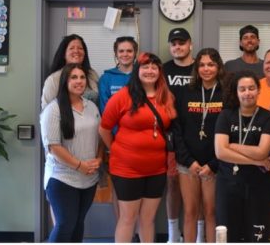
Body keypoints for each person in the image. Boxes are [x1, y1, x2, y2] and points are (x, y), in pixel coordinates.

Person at [99, 52, 177, 243]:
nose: (150, 71)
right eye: (145, 67)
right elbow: (104, 129)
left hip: (157, 169)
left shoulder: (166, 96)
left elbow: (171, 126)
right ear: (137, 70)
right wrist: (117, 148)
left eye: (154, 67)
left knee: (148, 220)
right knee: (128, 218)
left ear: (159, 71)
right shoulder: (123, 97)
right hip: (127, 169)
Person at [40, 63, 102, 242]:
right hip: (62, 178)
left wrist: (98, 159)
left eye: (82, 77)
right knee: (65, 224)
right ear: (65, 82)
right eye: (74, 77)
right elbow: (53, 146)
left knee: (78, 223)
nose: (79, 81)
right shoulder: (53, 109)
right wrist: (79, 165)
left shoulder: (91, 106)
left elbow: (99, 137)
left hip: (89, 178)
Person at [214, 70, 270, 242]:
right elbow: (220, 152)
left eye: (251, 88)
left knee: (256, 236)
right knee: (228, 236)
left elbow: (262, 151)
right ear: (236, 92)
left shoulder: (268, 117)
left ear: (258, 90)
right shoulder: (226, 115)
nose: (247, 93)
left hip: (258, 186)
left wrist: (232, 146)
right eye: (242, 89)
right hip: (228, 184)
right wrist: (256, 161)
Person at [174, 48, 226, 243]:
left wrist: (213, 164)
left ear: (218, 67)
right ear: (196, 68)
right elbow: (177, 128)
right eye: (202, 65)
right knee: (190, 212)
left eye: (211, 64)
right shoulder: (185, 92)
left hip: (215, 164)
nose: (206, 69)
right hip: (188, 163)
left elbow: (230, 131)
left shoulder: (226, 93)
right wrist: (188, 161)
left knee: (212, 212)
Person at [98, 36, 138, 224]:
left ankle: (137, 232)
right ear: (116, 53)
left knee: (139, 189)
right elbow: (106, 111)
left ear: (135, 53)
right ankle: (122, 231)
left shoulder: (142, 74)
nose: (125, 54)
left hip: (140, 143)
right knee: (119, 188)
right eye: (121, 51)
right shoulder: (107, 78)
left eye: (129, 51)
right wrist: (117, 139)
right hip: (116, 143)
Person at [163, 27, 195, 243]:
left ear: (190, 44)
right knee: (173, 182)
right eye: (174, 43)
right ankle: (174, 235)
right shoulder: (163, 70)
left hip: (198, 133)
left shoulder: (200, 68)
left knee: (200, 183)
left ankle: (199, 234)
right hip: (170, 135)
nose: (177, 46)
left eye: (181, 42)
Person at [42, 34, 99, 109]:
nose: (76, 51)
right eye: (71, 48)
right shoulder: (53, 79)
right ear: (64, 54)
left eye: (80, 48)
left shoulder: (92, 74)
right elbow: (46, 111)